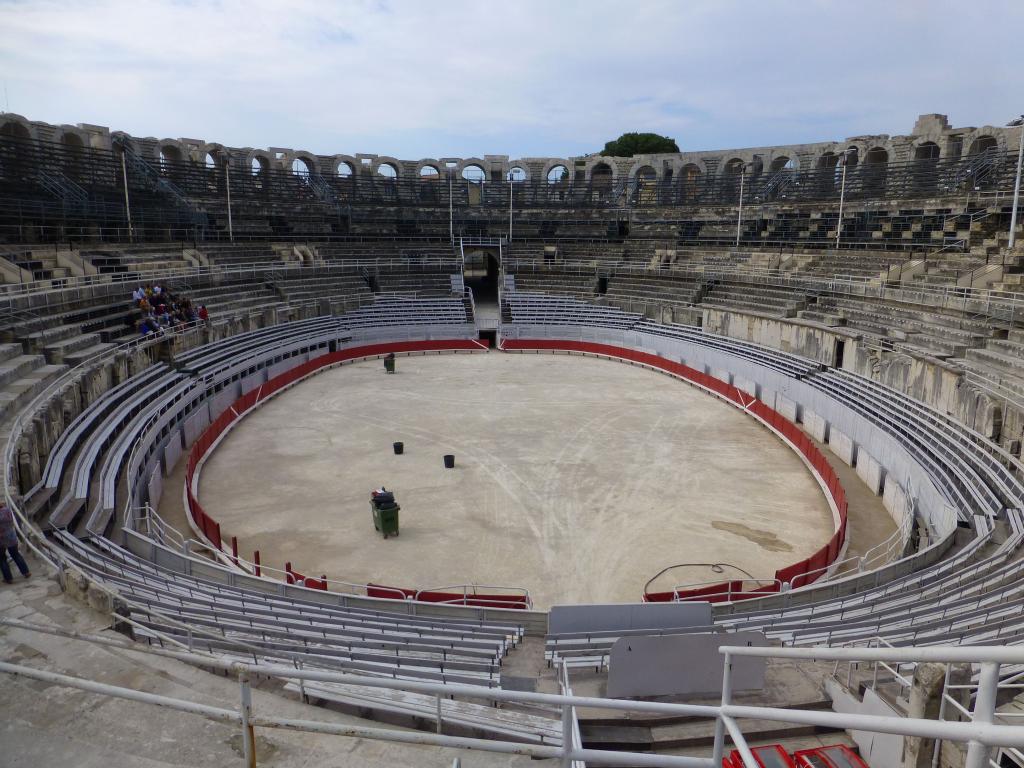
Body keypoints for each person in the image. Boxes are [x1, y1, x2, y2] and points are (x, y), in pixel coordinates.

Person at [0, 503, 30, 584]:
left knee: (2, 559)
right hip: (11, 536)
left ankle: (8, 579)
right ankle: (26, 572)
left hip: (1, 540)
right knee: (16, 555)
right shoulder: (7, 510)